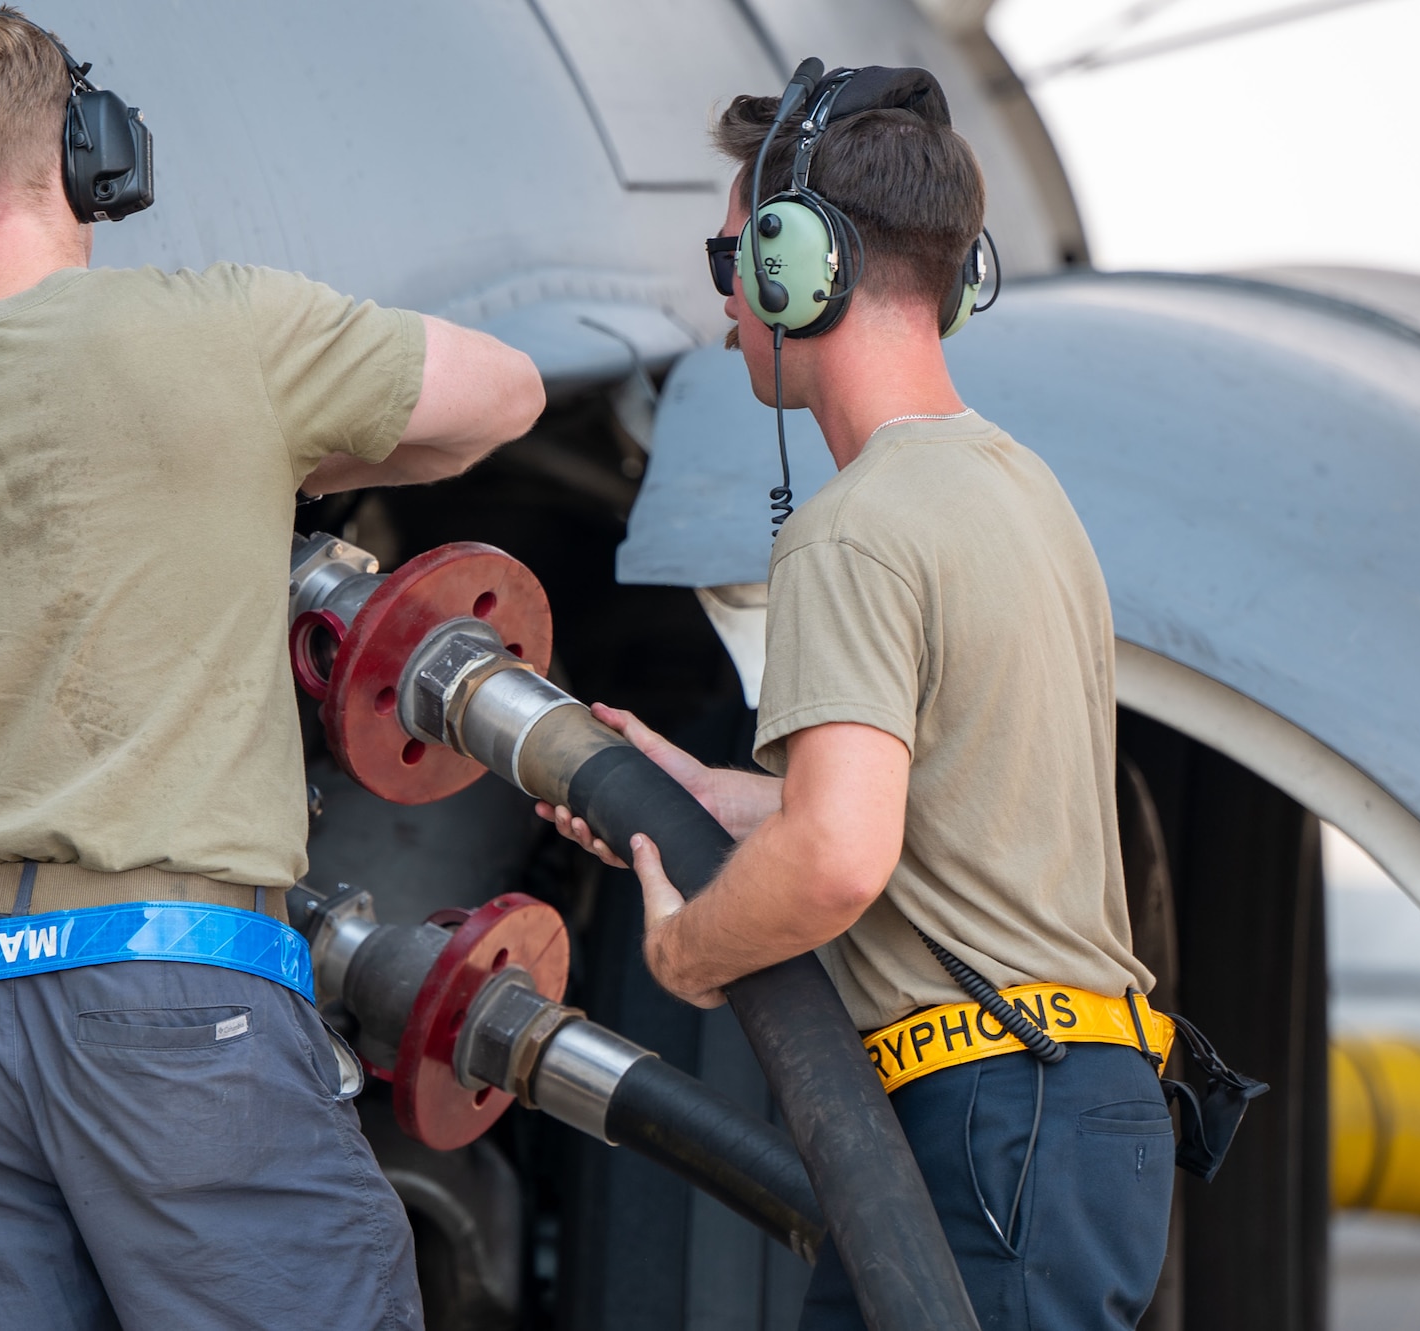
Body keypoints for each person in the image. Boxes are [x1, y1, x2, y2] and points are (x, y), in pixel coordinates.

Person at [0, 10, 543, 1328]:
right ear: (92, 158)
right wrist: (267, 456)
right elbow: (507, 393)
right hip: (176, 991)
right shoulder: (221, 334)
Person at [541, 69, 1173, 1330]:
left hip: (991, 1118)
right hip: (1066, 1113)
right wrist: (724, 798)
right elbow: (953, 801)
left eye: (734, 251)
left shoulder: (856, 525)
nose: (725, 297)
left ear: (795, 265)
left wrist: (688, 947)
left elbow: (838, 858)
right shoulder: (1016, 487)